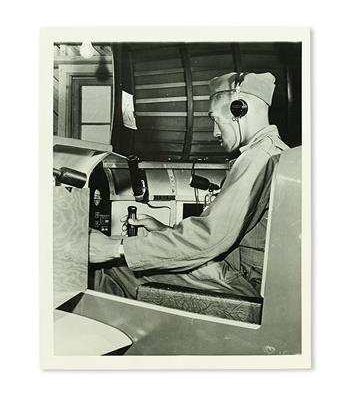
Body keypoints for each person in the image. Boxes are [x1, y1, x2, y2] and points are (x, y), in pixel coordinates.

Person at [89, 72, 289, 299]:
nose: (214, 132)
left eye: (214, 119)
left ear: (238, 109)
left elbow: (211, 238)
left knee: (112, 265)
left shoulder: (259, 157)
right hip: (244, 271)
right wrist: (163, 230)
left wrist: (115, 249)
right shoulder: (273, 151)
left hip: (243, 280)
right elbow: (217, 234)